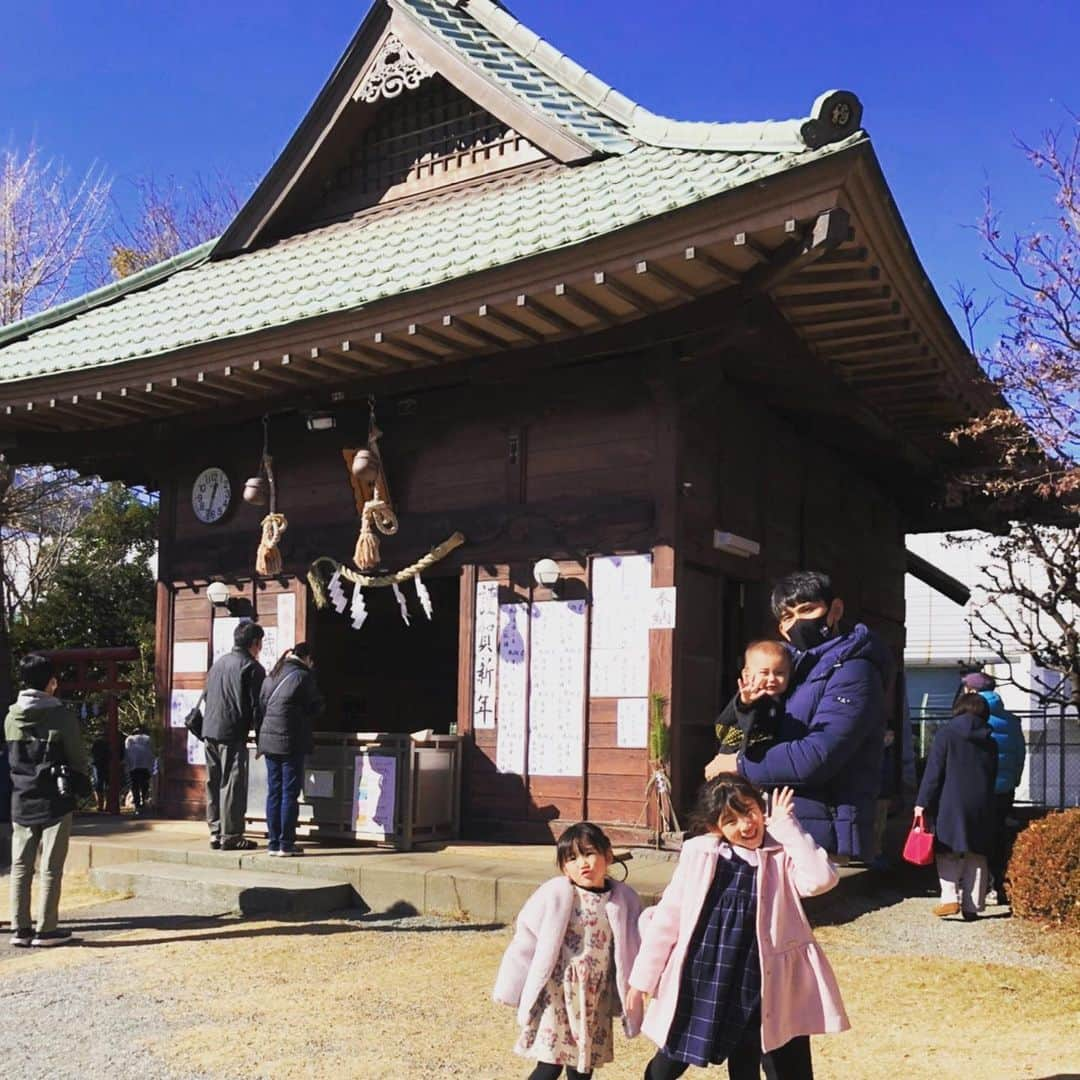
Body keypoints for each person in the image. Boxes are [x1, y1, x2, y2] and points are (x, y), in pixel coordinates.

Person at [628, 776, 848, 1079]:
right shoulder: (701, 855)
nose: (745, 825)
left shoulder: (779, 854)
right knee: (673, 1054)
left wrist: (787, 827)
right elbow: (668, 918)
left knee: (756, 1053)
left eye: (749, 811)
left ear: (761, 807)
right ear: (715, 827)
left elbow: (822, 878)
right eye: (731, 820)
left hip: (761, 976)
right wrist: (642, 980)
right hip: (705, 974)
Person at [705, 571, 891, 862]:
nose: (798, 622)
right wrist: (744, 707)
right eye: (788, 616)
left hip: (821, 828)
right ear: (781, 628)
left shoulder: (854, 671)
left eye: (807, 609)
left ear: (835, 610)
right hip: (783, 821)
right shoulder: (792, 670)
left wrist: (738, 764)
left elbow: (817, 755)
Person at [494, 821, 644, 1079]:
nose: (582, 863)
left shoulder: (624, 899)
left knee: (583, 1067)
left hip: (595, 995)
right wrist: (511, 986)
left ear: (608, 855)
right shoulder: (557, 894)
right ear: (564, 867)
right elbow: (527, 938)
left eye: (589, 853)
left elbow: (637, 942)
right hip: (559, 992)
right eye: (572, 858)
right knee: (549, 1065)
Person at [5, 654, 91, 947]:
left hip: (21, 795)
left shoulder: (11, 715)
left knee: (20, 866)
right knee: (51, 866)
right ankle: (46, 929)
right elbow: (77, 756)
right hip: (56, 798)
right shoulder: (60, 715)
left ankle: (20, 927)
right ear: (50, 682)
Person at [914, 692, 998, 920]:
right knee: (977, 853)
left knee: (946, 850)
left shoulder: (946, 735)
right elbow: (992, 775)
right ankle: (972, 906)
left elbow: (933, 773)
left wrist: (922, 802)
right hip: (982, 801)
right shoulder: (990, 741)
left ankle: (950, 898)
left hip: (950, 800)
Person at [960, 673, 1026, 904]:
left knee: (975, 838)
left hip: (978, 786)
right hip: (1004, 787)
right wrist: (1014, 780)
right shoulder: (1010, 720)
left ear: (973, 691)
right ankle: (1001, 885)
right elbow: (1019, 754)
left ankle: (978, 887)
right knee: (1000, 836)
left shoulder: (972, 717)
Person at [202, 619, 265, 851]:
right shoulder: (252, 668)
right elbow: (258, 707)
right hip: (232, 731)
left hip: (209, 730)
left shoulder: (218, 664)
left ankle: (215, 832)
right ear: (255, 643)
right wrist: (260, 739)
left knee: (213, 781)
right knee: (232, 782)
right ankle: (232, 835)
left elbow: (208, 696)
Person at [257, 643, 323, 856]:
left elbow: (261, 705)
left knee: (274, 791)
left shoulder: (272, 674)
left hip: (268, 740)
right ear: (308, 658)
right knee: (289, 792)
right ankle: (286, 844)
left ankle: (273, 843)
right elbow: (316, 707)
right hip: (290, 741)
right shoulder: (304, 676)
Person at [713, 640, 791, 760]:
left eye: (779, 673)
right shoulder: (749, 695)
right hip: (736, 754)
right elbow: (738, 711)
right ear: (747, 675)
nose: (771, 679)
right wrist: (746, 702)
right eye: (764, 673)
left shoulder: (785, 699)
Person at [124, 725, 155, 815]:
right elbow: (151, 752)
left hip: (134, 766)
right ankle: (143, 800)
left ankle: (137, 804)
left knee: (135, 785)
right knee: (144, 784)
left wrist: (127, 765)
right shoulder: (148, 739)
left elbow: (127, 753)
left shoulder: (129, 739)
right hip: (145, 765)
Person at [90, 729, 111, 812]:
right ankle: (106, 804)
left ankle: (100, 805)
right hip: (105, 765)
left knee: (99, 785)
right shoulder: (107, 744)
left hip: (98, 765)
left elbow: (93, 754)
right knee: (107, 784)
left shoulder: (96, 743)